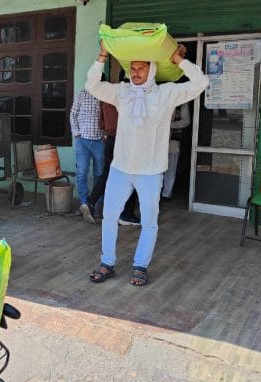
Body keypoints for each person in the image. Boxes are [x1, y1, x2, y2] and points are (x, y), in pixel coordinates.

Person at [86, 42, 209, 286]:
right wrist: (101, 55)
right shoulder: (122, 92)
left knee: (149, 221)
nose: (136, 72)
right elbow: (92, 85)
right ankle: (107, 262)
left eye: (142, 68)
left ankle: (140, 266)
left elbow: (201, 82)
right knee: (109, 216)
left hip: (151, 171)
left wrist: (179, 60)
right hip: (121, 168)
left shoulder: (166, 94)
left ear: (151, 70)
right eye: (133, 68)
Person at [80, 101, 140, 226]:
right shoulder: (127, 98)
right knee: (132, 175)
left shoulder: (106, 100)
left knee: (107, 174)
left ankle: (91, 202)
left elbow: (101, 123)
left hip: (110, 140)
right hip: (125, 139)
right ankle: (126, 214)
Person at [70, 77, 105, 214]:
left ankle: (96, 206)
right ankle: (84, 204)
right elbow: (73, 114)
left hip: (99, 141)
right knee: (81, 173)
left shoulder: (105, 96)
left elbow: (109, 117)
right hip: (82, 141)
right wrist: (76, 133)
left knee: (99, 174)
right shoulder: (82, 94)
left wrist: (106, 135)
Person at [162, 102, 190, 200]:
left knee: (170, 167)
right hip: (158, 140)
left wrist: (169, 125)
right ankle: (157, 192)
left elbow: (186, 121)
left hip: (173, 140)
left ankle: (166, 193)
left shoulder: (181, 103)